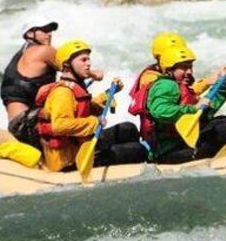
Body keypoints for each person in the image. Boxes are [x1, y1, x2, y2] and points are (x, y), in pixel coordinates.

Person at [35, 39, 146, 172]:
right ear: (67, 64)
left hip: (79, 145)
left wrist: (107, 96)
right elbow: (60, 125)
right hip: (68, 161)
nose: (89, 64)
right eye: (83, 60)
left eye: (88, 59)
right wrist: (95, 122)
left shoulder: (72, 87)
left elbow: (83, 109)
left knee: (128, 129)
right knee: (138, 150)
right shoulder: (63, 93)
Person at [1, 22, 102, 145]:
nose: (49, 34)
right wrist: (94, 74)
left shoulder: (21, 55)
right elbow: (69, 62)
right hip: (27, 126)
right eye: (44, 30)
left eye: (50, 30)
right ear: (29, 33)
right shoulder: (44, 51)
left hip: (17, 126)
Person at [144, 45, 226, 163]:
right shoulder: (166, 85)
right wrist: (193, 108)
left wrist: (220, 84)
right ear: (170, 69)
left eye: (190, 67)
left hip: (185, 142)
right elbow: (159, 111)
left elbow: (206, 109)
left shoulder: (181, 85)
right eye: (184, 68)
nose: (189, 72)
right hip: (169, 151)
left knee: (223, 120)